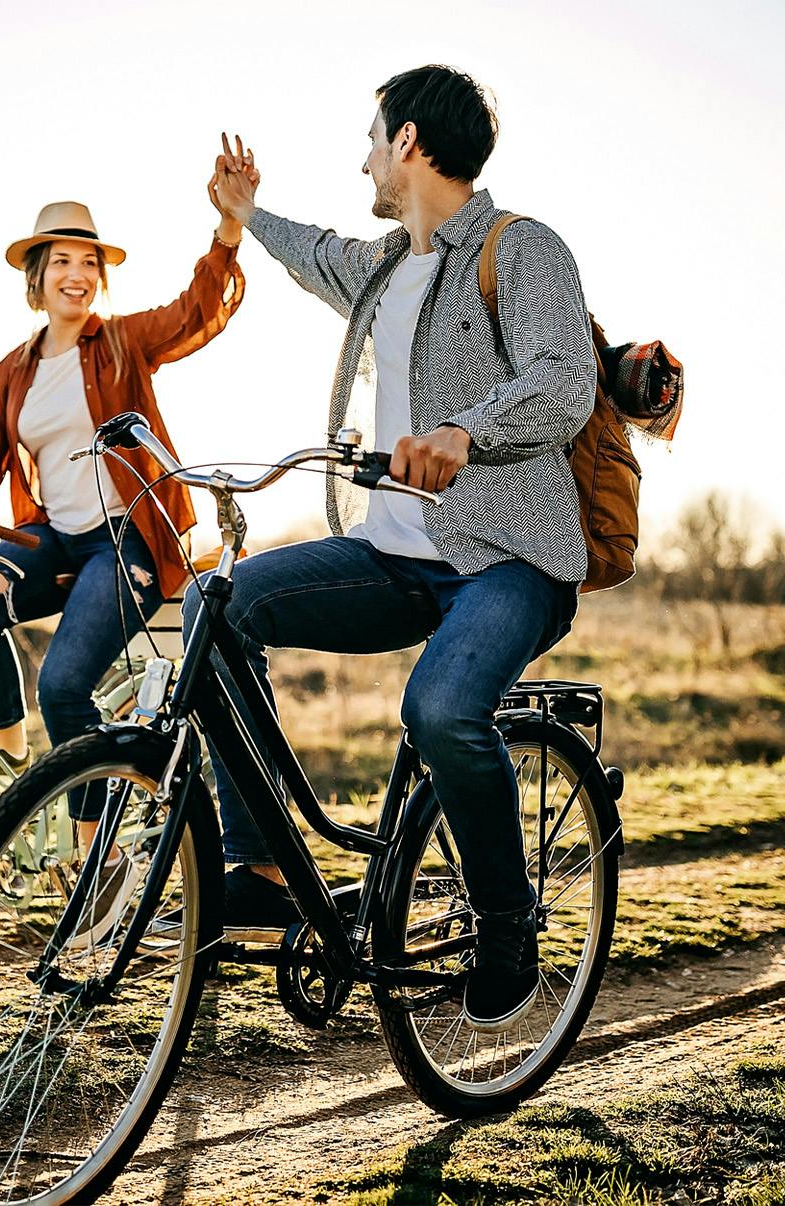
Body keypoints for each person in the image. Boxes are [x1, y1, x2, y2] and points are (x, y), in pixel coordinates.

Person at [196, 67, 594, 1031]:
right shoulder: (380, 269)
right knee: (222, 609)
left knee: (445, 709)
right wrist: (248, 214)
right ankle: (252, 866)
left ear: (409, 141)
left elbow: (566, 374)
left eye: (373, 141)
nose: (365, 160)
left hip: (509, 560)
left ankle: (507, 922)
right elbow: (313, 251)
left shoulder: (520, 247)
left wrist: (466, 428)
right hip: (395, 560)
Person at [0, 182, 246, 855]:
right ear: (38, 276)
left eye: (89, 264)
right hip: (54, 538)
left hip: (127, 543)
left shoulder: (121, 343)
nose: (77, 275)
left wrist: (227, 234)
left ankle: (97, 853)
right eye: (62, 262)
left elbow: (194, 310)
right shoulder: (16, 369)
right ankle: (6, 752)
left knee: (62, 686)